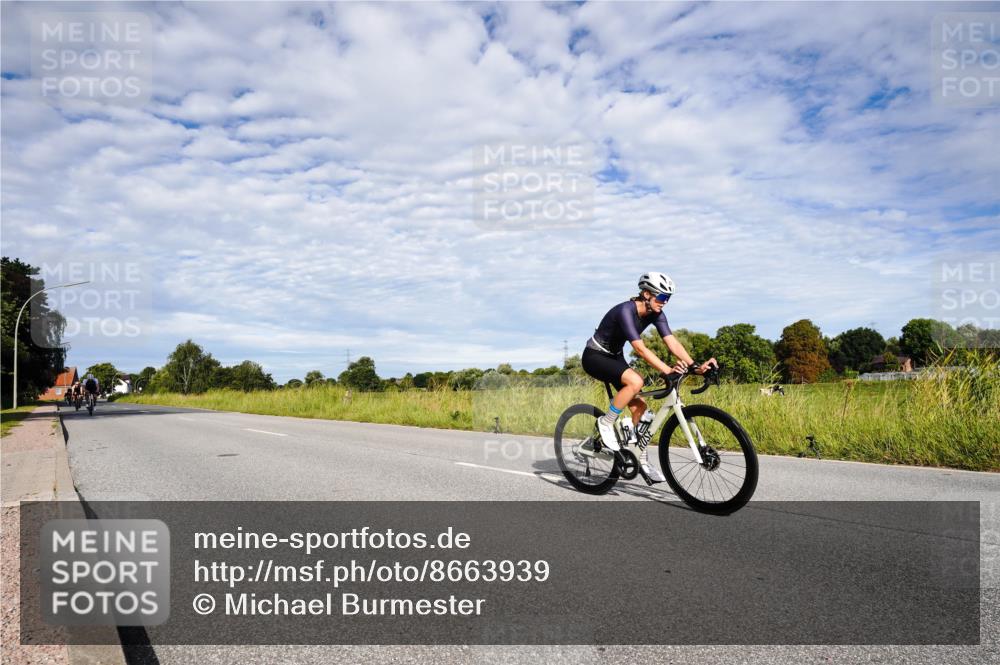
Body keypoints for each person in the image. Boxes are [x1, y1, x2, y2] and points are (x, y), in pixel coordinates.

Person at [582, 272, 717, 483]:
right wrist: (667, 371)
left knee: (641, 409)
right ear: (646, 294)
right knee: (636, 381)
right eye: (662, 298)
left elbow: (672, 342)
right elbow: (640, 349)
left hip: (615, 357)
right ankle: (606, 422)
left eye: (668, 299)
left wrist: (695, 367)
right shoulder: (625, 311)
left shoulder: (656, 314)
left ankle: (640, 458)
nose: (664, 303)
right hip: (594, 356)